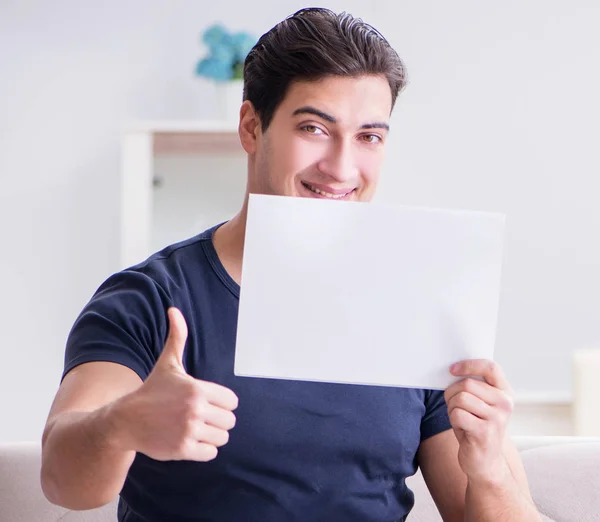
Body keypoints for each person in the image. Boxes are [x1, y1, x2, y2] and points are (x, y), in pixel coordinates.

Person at [41, 8, 542, 522]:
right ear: (251, 127)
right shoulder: (152, 298)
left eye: (369, 136)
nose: (342, 167)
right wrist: (123, 423)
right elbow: (61, 477)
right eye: (314, 128)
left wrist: (490, 472)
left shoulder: (423, 311)